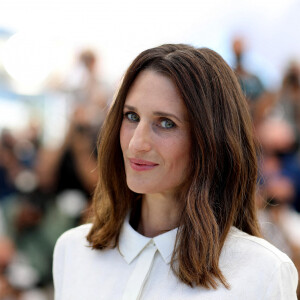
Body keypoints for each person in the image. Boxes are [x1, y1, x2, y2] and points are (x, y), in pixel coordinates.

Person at [53, 44, 298, 299]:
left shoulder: (262, 273)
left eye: (166, 123)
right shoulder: (72, 250)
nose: (137, 143)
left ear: (212, 140)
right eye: (131, 116)